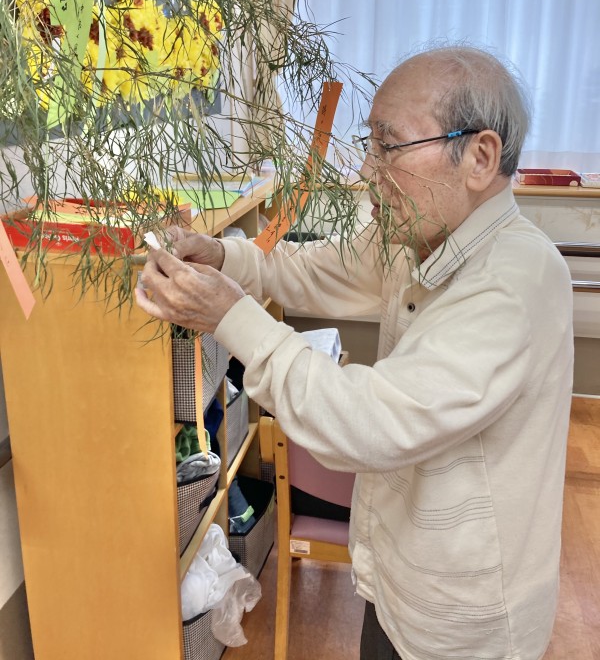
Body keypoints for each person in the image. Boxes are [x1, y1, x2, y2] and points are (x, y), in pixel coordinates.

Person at [136, 46, 574, 660]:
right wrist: (226, 258)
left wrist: (228, 314)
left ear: (479, 157)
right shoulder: (423, 240)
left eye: (387, 145)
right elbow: (315, 268)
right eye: (370, 144)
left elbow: (368, 423)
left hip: (461, 621)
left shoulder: (515, 281)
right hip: (397, 578)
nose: (368, 169)